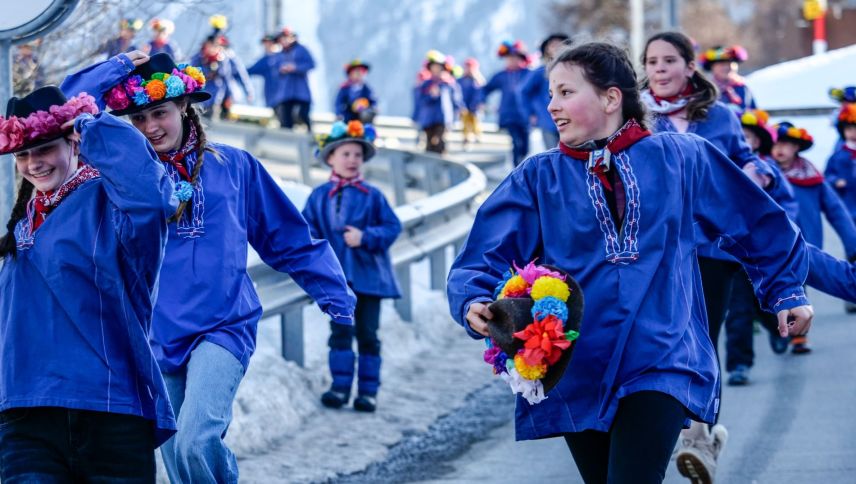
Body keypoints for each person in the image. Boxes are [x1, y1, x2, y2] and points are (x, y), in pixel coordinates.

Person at [447, 41, 812, 484]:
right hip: (577, 365)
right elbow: (483, 254)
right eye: (550, 94)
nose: (552, 107)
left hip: (662, 356)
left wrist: (786, 291)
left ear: (610, 97)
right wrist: (473, 300)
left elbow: (757, 222)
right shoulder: (538, 176)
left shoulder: (681, 156)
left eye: (565, 93)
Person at [61, 51, 356, 483]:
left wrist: (334, 292)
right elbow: (68, 106)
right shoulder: (123, 177)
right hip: (153, 336)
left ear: (184, 105)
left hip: (223, 326)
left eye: (159, 112)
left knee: (197, 440)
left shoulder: (233, 166)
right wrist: (118, 66)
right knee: (177, 458)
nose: (150, 128)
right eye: (138, 119)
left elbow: (287, 237)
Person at [0, 80, 176, 480]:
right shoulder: (21, 226)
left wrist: (94, 122)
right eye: (23, 155)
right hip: (26, 418)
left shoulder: (113, 205)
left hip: (108, 412)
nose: (33, 163)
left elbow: (151, 197)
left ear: (75, 143)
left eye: (44, 147)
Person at [641, 32, 796, 481]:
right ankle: (664, 431)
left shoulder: (722, 117)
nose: (660, 69)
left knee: (702, 340)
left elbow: (749, 160)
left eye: (669, 60)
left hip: (713, 248)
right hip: (657, 250)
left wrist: (757, 173)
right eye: (652, 62)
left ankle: (698, 438)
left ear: (690, 66)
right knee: (659, 342)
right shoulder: (637, 119)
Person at [302, 120, 401, 412]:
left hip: (368, 277)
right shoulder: (319, 197)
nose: (352, 160)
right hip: (337, 280)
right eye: (345, 154)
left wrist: (366, 237)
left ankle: (368, 392)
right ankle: (340, 387)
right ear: (330, 158)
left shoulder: (373, 195)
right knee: (341, 332)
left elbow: (392, 227)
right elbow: (306, 231)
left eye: (357, 155)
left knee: (368, 335)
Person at [771, 120, 856, 351]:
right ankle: (774, 327)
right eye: (775, 143)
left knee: (799, 288)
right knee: (769, 288)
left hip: (804, 245)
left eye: (787, 144)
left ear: (797, 147)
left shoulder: (811, 177)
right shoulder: (762, 175)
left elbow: (836, 211)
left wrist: (852, 244)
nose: (780, 149)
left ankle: (798, 336)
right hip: (768, 246)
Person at [723, 109, 793, 386]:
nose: (743, 141)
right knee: (738, 311)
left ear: (759, 141)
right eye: (739, 137)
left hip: (762, 254)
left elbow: (787, 207)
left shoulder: (767, 170)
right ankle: (739, 364)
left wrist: (779, 235)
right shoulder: (722, 170)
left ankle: (777, 330)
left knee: (762, 303)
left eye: (748, 137)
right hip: (732, 253)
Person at [191, 17, 254, 119]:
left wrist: (244, 92)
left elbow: (232, 76)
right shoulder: (199, 57)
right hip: (201, 97)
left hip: (220, 97)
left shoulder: (226, 57)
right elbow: (191, 74)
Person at [483, 40, 531, 166]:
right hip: (508, 115)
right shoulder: (501, 76)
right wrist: (481, 102)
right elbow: (485, 89)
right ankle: (517, 170)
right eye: (509, 58)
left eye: (514, 58)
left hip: (525, 116)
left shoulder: (528, 74)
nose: (511, 61)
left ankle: (522, 165)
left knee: (525, 146)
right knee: (516, 142)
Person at [521, 33, 570, 151]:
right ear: (546, 50)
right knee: (554, 154)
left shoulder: (574, 70)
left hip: (570, 119)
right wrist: (530, 114)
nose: (557, 47)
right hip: (548, 121)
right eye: (553, 45)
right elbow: (523, 92)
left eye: (561, 44)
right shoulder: (541, 71)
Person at [414, 50, 460, 154]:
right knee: (429, 145)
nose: (436, 69)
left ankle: (442, 164)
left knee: (439, 141)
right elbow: (421, 100)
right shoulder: (426, 84)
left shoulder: (448, 84)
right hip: (428, 119)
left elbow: (456, 99)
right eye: (434, 67)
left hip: (443, 119)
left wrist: (458, 110)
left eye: (438, 67)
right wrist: (432, 96)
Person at [275, 27, 315, 131]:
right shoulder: (279, 54)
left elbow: (311, 64)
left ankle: (310, 137)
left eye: (285, 38)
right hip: (285, 93)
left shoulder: (302, 50)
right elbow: (275, 71)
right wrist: (281, 70)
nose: (283, 41)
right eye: (281, 39)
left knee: (303, 115)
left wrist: (295, 67)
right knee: (285, 120)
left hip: (301, 92)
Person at [698, 45, 755, 113]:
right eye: (722, 64)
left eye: (731, 63)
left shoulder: (743, 87)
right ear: (712, 67)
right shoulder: (706, 89)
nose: (727, 67)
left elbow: (753, 110)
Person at [248, 34, 285, 111]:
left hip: (285, 97)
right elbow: (249, 71)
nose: (266, 45)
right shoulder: (265, 60)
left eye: (268, 42)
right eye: (265, 43)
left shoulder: (283, 57)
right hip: (271, 98)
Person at [458, 57, 485, 147]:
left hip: (474, 106)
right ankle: (466, 138)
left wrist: (480, 103)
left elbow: (482, 94)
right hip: (464, 105)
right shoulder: (461, 81)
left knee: (475, 121)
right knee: (465, 122)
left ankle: (477, 134)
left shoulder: (478, 81)